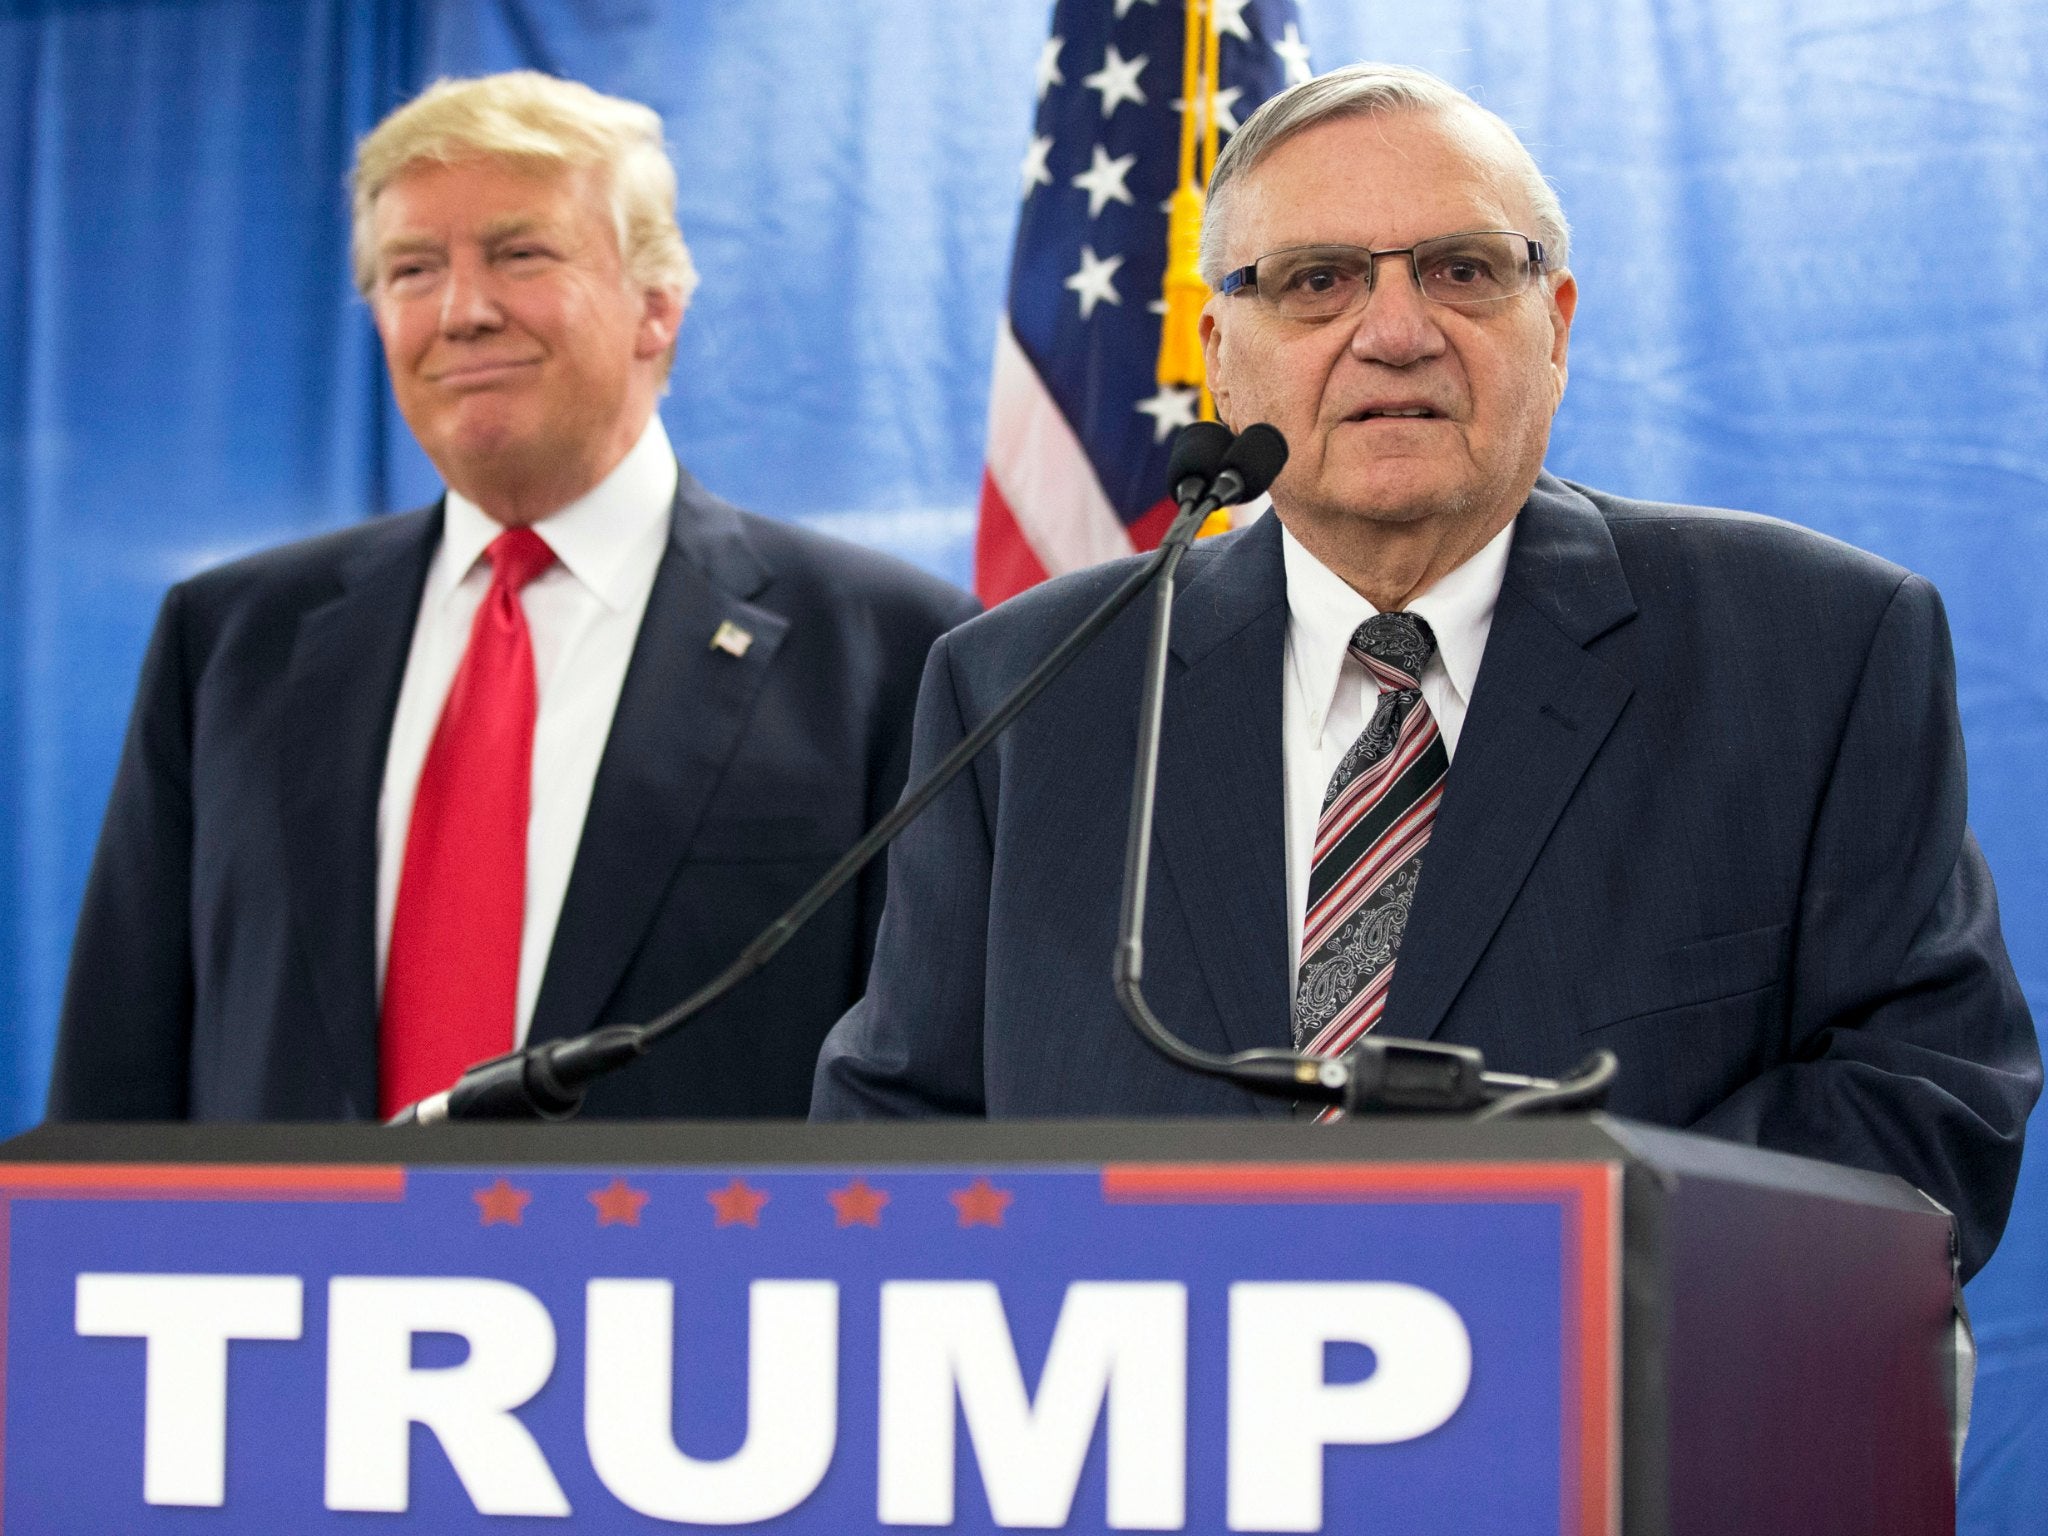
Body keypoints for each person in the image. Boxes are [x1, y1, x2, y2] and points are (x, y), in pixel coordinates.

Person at [812, 63, 2040, 1280]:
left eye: (1460, 270)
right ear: (1219, 353)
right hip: (1142, 1447)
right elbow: (896, 1139)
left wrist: (1511, 1285)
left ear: (1552, 325)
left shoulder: (1811, 652)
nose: (1393, 334)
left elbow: (1924, 1098)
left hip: (1623, 1433)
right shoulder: (1027, 689)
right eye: (1314, 281)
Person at [49, 71, 977, 1123]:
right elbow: (115, 1082)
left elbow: (927, 1088)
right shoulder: (227, 643)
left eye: (519, 253)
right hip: (288, 1280)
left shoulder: (893, 652)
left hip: (684, 1280)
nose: (461, 311)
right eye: (411, 270)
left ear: (657, 306)